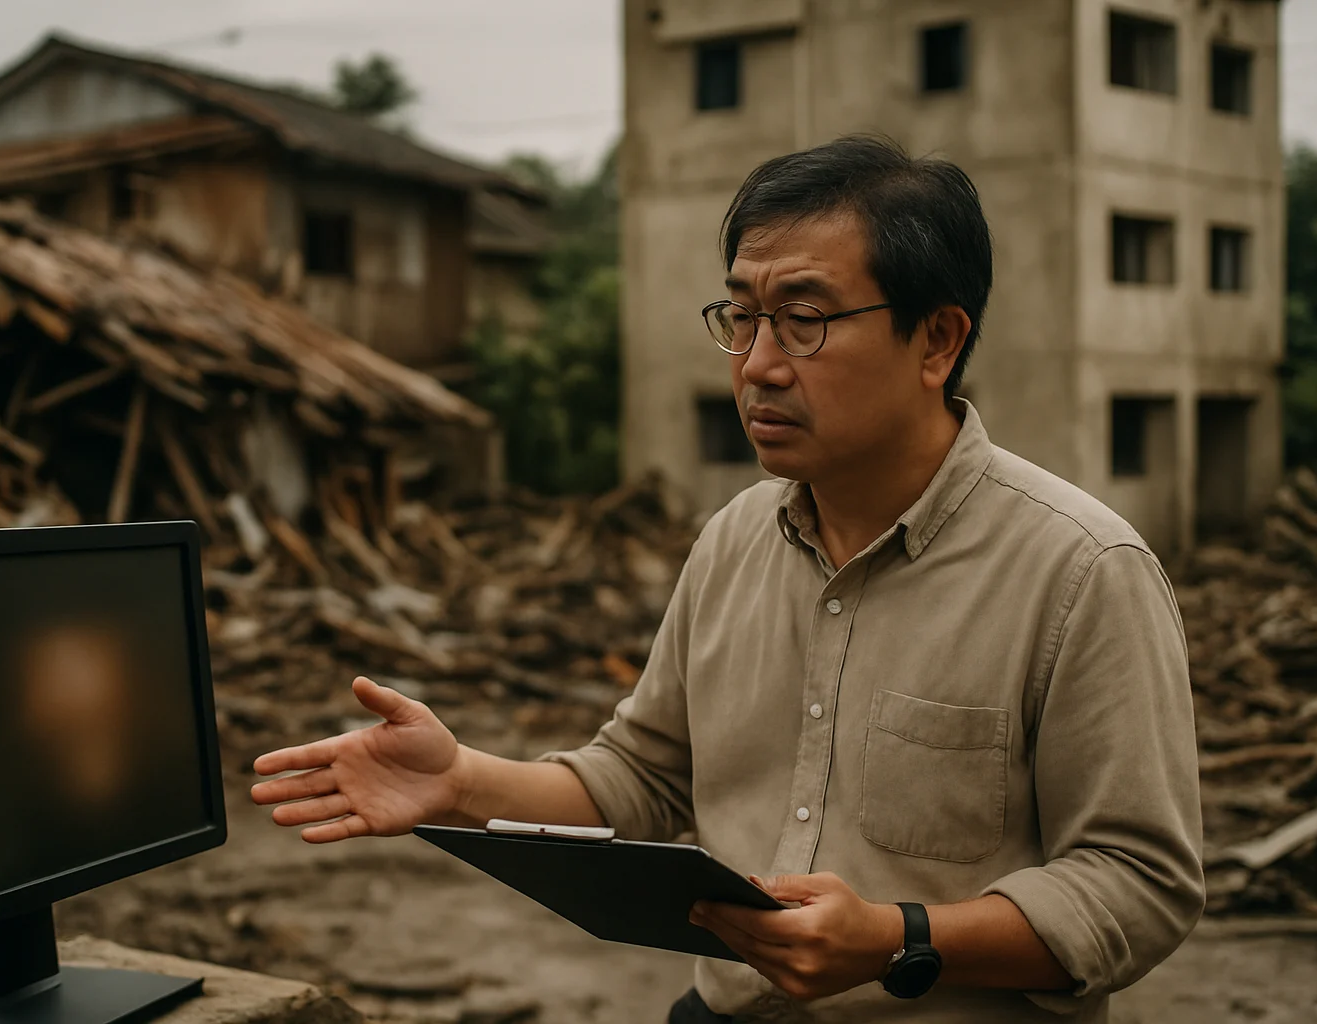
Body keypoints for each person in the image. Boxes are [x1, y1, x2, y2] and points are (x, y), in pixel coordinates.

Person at [250, 133, 1204, 1023]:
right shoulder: (734, 540)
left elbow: (1138, 882)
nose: (756, 367)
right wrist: (459, 784)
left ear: (937, 340)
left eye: (803, 320)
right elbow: (640, 778)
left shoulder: (1082, 572)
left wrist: (897, 941)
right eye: (741, 318)